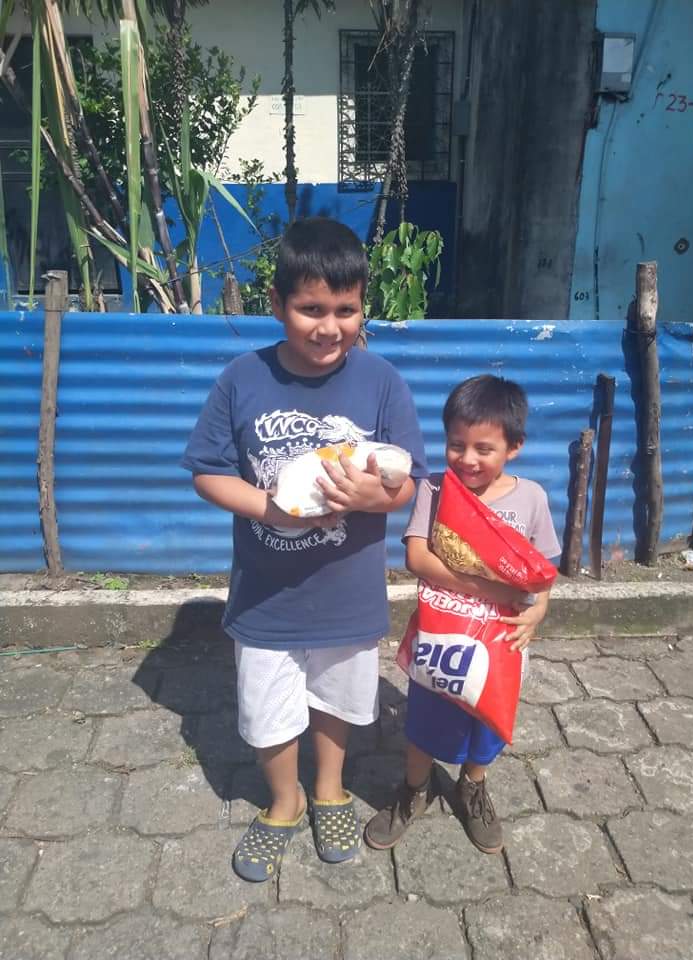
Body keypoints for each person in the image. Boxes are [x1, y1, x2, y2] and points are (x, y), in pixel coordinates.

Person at [181, 217, 426, 882]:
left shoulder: (381, 381)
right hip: (266, 597)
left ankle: (329, 789)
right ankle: (284, 801)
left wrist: (375, 497)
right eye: (311, 309)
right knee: (267, 711)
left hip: (348, 594)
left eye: (346, 310)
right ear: (277, 304)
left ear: (362, 307)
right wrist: (272, 508)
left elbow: (409, 480)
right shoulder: (243, 378)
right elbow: (206, 471)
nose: (329, 327)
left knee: (338, 701)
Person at [364, 374, 560, 855]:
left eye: (484, 448)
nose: (467, 459)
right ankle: (415, 788)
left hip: (502, 642)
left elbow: (543, 575)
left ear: (514, 447)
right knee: (425, 717)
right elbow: (418, 557)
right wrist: (491, 589)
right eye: (457, 445)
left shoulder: (531, 498)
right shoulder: (435, 489)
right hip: (442, 635)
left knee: (488, 721)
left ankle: (473, 786)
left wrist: (537, 612)